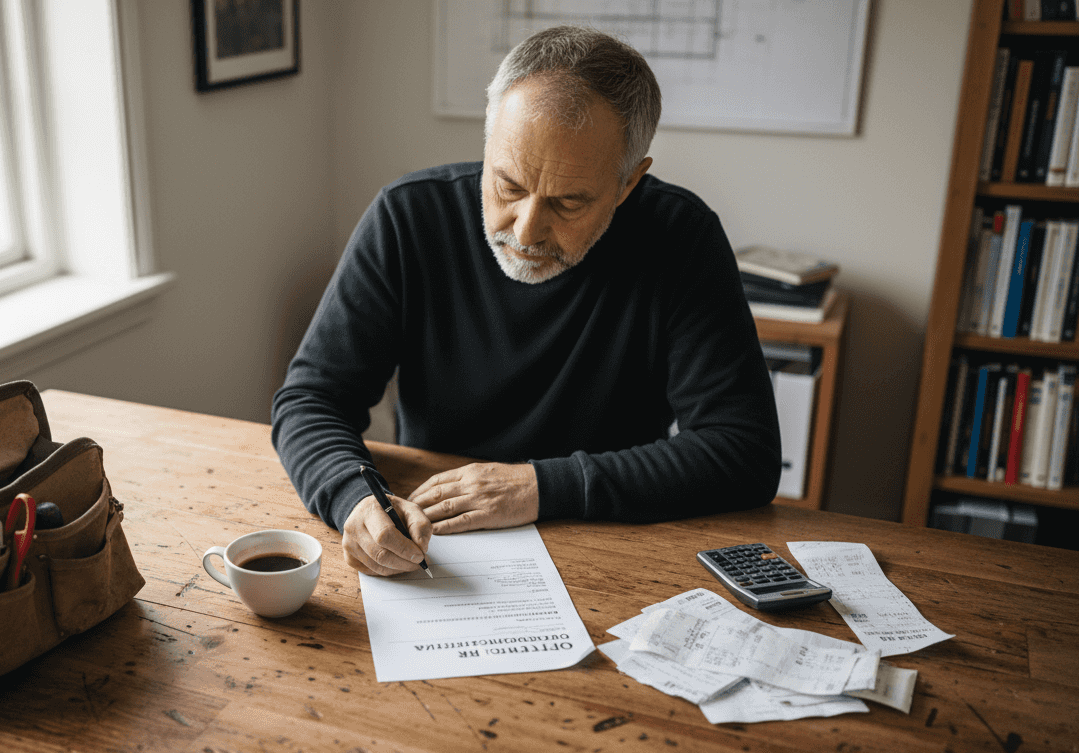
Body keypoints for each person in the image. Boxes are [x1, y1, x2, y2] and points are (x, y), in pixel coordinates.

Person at [271, 26, 781, 577]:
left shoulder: (682, 238)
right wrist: (352, 496)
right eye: (509, 186)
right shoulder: (409, 217)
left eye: (568, 202)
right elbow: (310, 401)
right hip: (437, 544)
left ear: (629, 183)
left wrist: (540, 487)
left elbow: (743, 452)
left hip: (612, 544)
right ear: (487, 144)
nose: (528, 230)